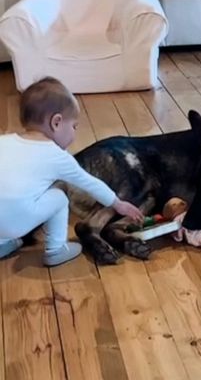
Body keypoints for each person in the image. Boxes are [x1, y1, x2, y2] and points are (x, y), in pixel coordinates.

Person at [0, 77, 144, 266]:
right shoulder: (56, 156)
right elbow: (89, 183)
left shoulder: (5, 141)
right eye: (74, 126)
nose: (74, 133)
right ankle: (56, 250)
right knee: (59, 196)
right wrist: (118, 204)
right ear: (57, 122)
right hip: (16, 224)